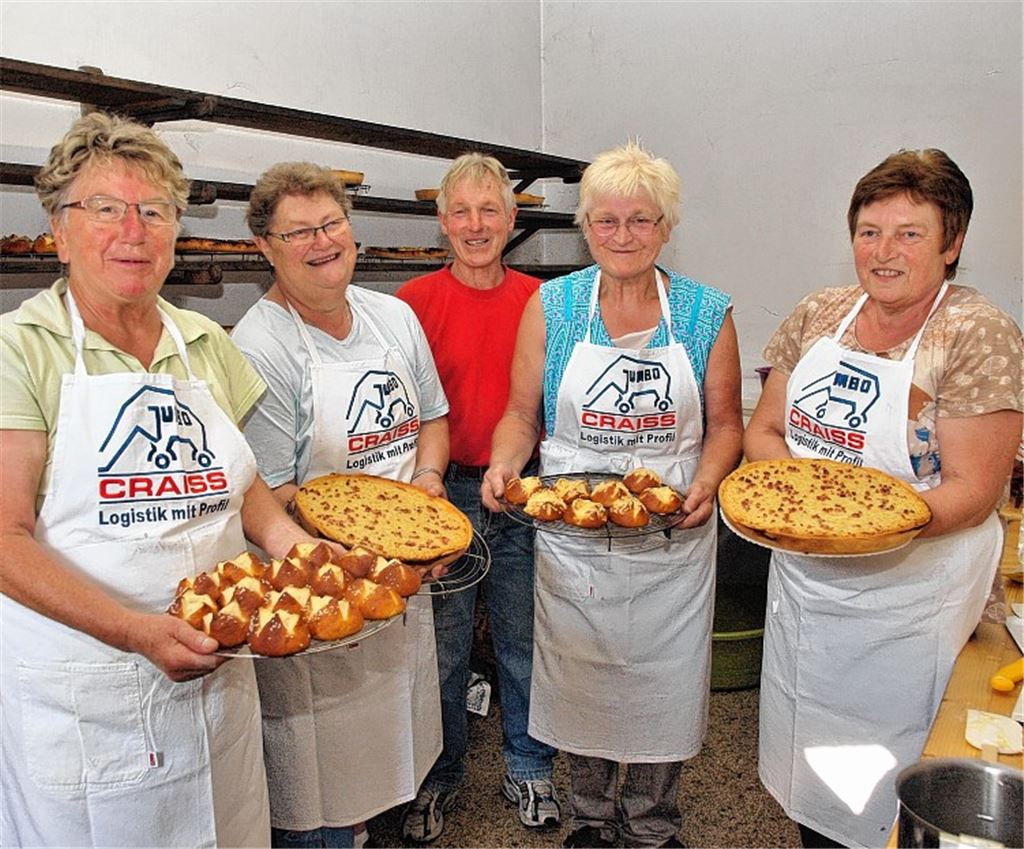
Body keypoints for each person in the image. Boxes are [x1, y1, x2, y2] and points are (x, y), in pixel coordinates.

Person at [0, 112, 323, 847]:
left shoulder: (204, 342)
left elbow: (247, 495)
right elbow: (4, 537)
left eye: (154, 212)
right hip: (88, 688)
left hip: (214, 672)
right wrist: (136, 631)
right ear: (58, 227)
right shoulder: (20, 349)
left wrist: (302, 552)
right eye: (105, 209)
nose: (133, 231)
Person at [744, 148, 1023, 848]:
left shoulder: (976, 334)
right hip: (809, 591)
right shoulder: (820, 314)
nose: (883, 250)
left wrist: (851, 522)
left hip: (908, 605)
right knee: (815, 771)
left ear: (951, 242)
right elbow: (766, 432)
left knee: (887, 789)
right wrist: (804, 513)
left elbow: (971, 489)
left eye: (909, 233)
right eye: (869, 231)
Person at [482, 141, 744, 849]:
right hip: (573, 543)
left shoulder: (704, 313)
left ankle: (655, 824)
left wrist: (709, 482)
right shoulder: (554, 306)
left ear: (666, 226)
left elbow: (727, 425)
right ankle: (593, 818)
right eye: (605, 221)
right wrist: (505, 463)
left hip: (671, 538)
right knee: (585, 677)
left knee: (664, 680)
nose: (622, 236)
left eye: (640, 220)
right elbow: (518, 413)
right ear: (585, 225)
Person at [231, 161, 448, 849]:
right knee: (320, 775)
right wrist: (374, 535)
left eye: (332, 224)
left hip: (400, 571)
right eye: (300, 232)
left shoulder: (393, 316)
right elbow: (266, 491)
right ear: (264, 245)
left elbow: (432, 420)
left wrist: (431, 484)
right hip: (319, 581)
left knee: (386, 742)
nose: (323, 241)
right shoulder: (259, 344)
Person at [396, 153, 560, 842]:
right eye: (460, 211)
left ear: (512, 218)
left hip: (523, 488)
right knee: (443, 644)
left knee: (524, 636)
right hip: (441, 493)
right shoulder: (409, 304)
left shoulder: (543, 300)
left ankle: (528, 762)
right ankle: (439, 773)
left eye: (489, 210)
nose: (475, 224)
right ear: (441, 220)